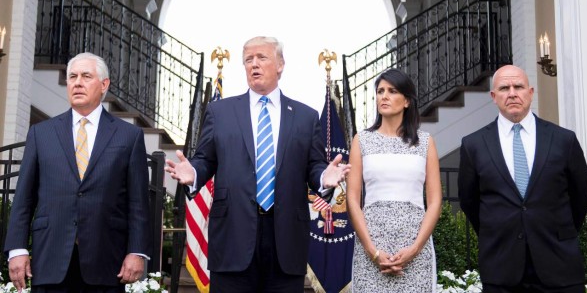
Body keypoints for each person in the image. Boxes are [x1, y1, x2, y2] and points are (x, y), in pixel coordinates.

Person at [165, 36, 350, 293]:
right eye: (248, 60)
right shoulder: (220, 112)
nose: (254, 64)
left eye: (261, 58)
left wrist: (323, 178)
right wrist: (193, 172)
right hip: (232, 236)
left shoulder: (306, 117)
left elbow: (314, 167)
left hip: (285, 240)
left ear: (280, 65)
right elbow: (205, 159)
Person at [4, 52, 151, 292]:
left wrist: (137, 251)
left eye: (86, 76)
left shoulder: (129, 136)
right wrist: (17, 249)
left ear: (104, 85)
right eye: (72, 76)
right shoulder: (41, 134)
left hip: (106, 262)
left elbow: (138, 203)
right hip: (50, 260)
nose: (77, 82)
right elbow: (23, 198)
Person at [458, 64, 587, 293]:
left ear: (530, 92)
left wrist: (553, 229)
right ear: (494, 96)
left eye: (518, 86)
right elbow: (469, 202)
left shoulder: (563, 140)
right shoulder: (474, 145)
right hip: (502, 269)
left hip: (559, 266)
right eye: (504, 88)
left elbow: (582, 197)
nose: (512, 93)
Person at [346, 68, 442, 292]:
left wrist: (415, 248)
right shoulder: (362, 140)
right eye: (380, 91)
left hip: (414, 244)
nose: (384, 96)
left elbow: (435, 201)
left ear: (407, 101)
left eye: (392, 91)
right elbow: (352, 199)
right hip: (372, 243)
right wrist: (373, 251)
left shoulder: (425, 142)